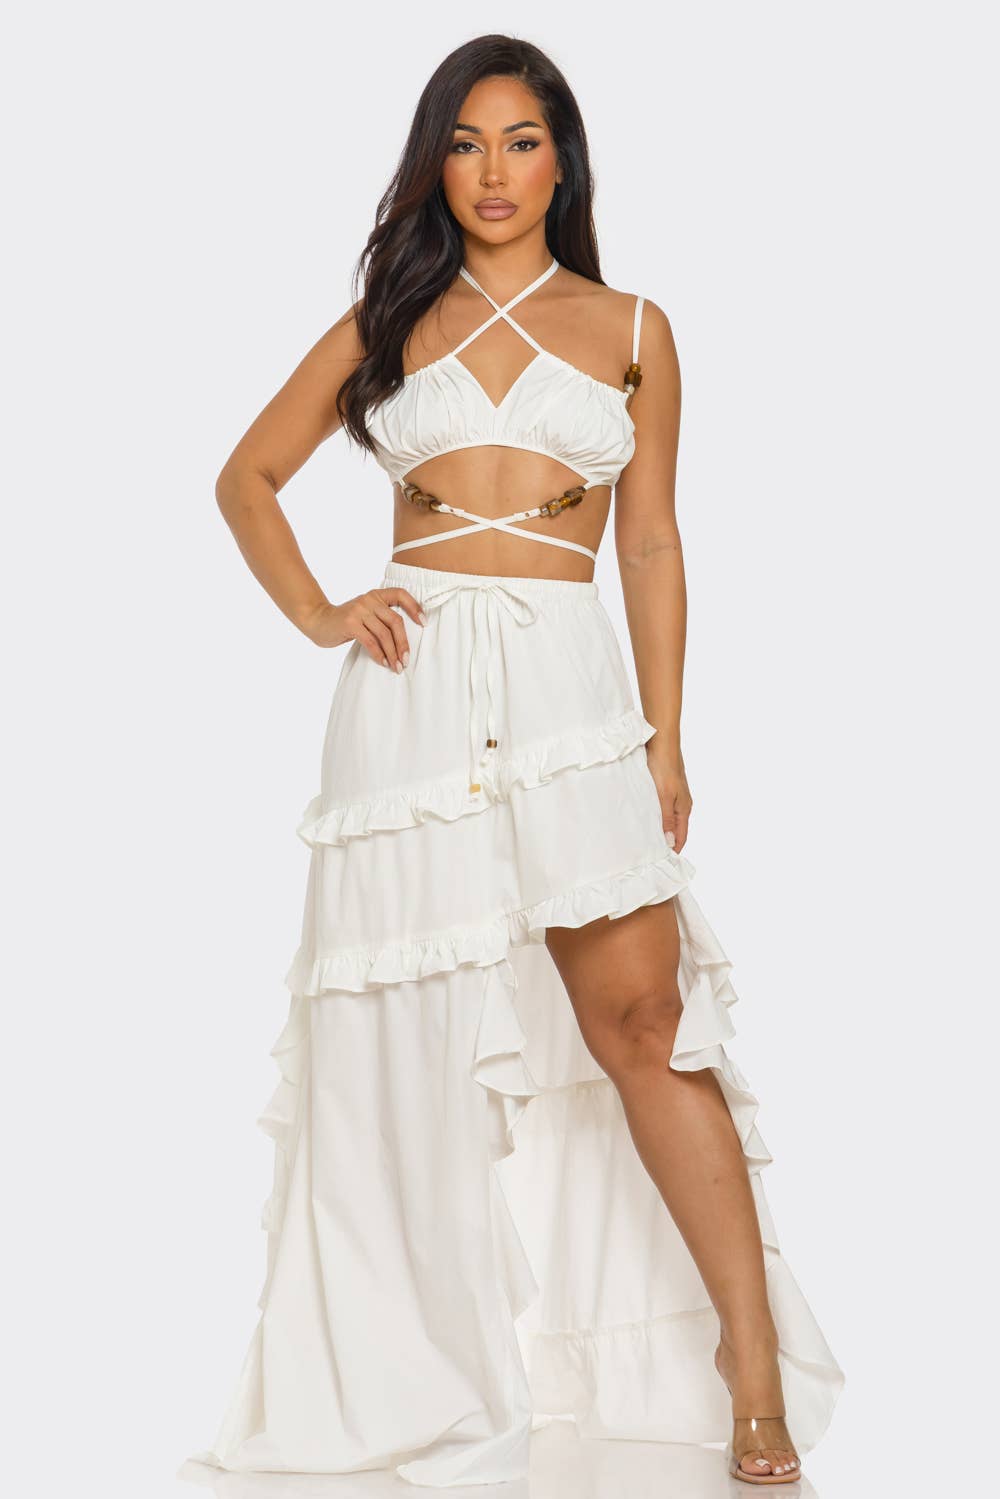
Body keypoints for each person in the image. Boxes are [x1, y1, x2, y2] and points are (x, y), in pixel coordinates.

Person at [183, 32, 844, 1491]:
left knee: (646, 1019)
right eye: (467, 142)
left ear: (563, 162)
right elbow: (246, 478)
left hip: (568, 692)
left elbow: (652, 542)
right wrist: (324, 612)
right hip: (410, 703)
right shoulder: (385, 321)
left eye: (522, 141)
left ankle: (748, 1365)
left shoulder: (633, 326)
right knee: (403, 1045)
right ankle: (406, 1373)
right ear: (436, 163)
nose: (493, 172)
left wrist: (667, 739)